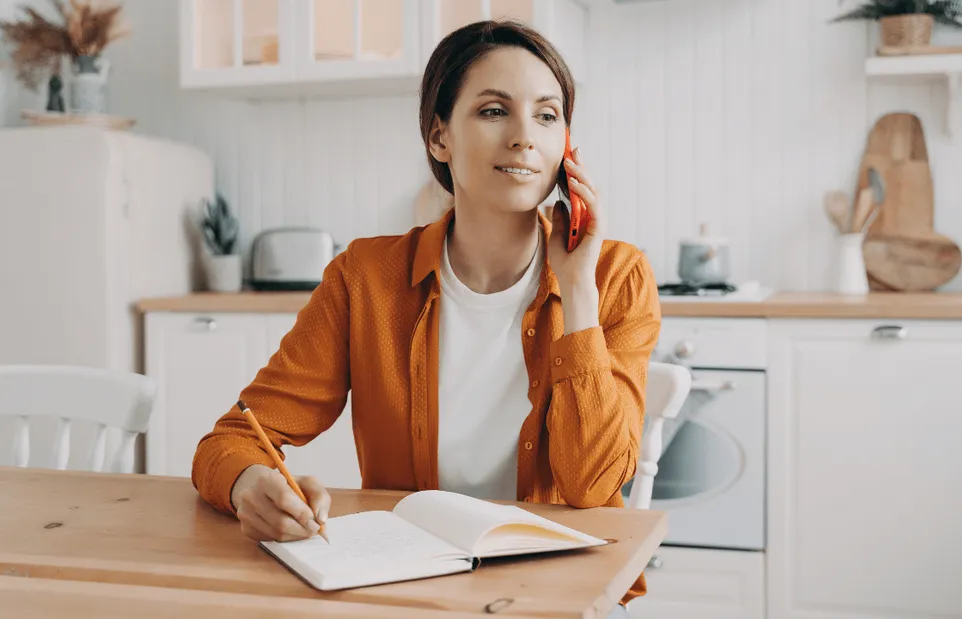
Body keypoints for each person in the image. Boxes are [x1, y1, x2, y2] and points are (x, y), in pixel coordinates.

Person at [191, 19, 660, 614]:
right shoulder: (365, 278)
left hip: (553, 593)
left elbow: (593, 488)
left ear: (566, 144)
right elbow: (230, 440)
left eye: (547, 116)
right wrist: (247, 485)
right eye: (494, 111)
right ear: (439, 137)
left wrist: (577, 289)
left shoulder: (616, 276)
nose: (525, 138)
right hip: (407, 590)